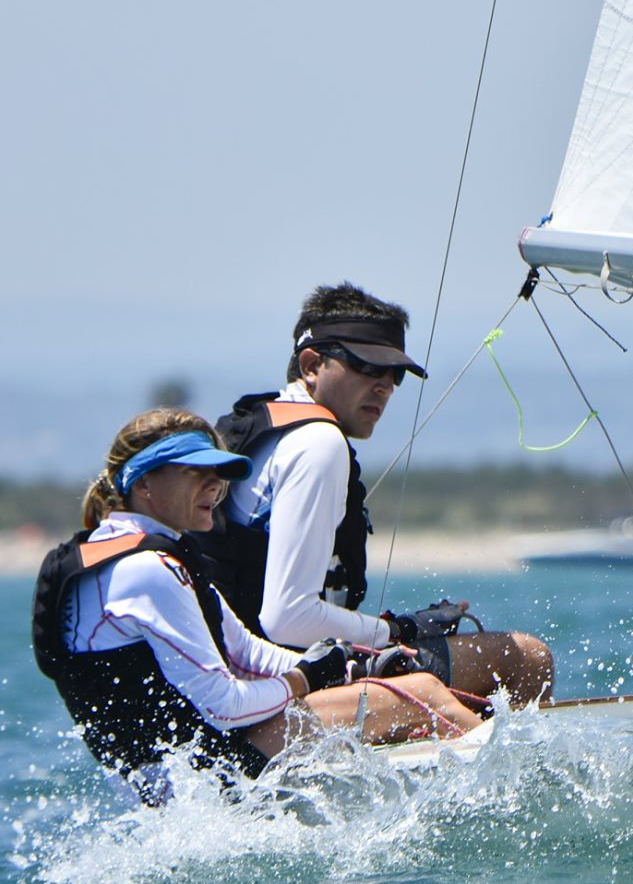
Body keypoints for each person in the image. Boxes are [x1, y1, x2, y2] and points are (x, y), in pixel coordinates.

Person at [33, 409, 482, 802]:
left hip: (182, 772)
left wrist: (346, 667)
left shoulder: (136, 554)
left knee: (396, 691)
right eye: (196, 471)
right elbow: (224, 706)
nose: (215, 484)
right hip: (199, 781)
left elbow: (245, 651)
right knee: (423, 696)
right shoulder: (145, 570)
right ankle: (506, 788)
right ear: (143, 482)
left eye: (219, 472)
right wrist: (305, 678)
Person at [195, 282, 553, 704]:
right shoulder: (317, 443)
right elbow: (287, 617)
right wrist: (400, 629)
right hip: (274, 689)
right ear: (311, 365)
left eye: (394, 374)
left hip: (239, 681)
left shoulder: (264, 427)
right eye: (368, 367)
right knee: (525, 658)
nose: (385, 387)